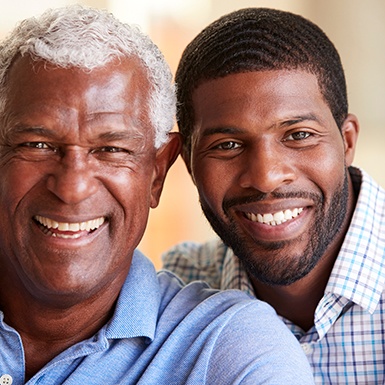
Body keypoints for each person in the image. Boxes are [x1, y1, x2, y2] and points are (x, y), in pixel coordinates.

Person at [0, 5, 316, 385]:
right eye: (38, 144)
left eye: (112, 149)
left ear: (157, 173)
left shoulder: (230, 349)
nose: (72, 188)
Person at [162, 7, 385, 385]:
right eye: (228, 144)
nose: (265, 178)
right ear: (186, 162)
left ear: (347, 142)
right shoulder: (179, 296)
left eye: (298, 135)